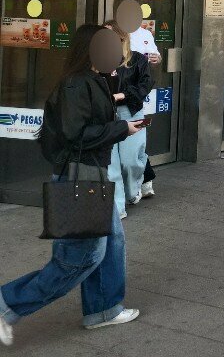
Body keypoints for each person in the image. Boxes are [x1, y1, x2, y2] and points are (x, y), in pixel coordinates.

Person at [0, 25, 144, 346]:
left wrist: (120, 123)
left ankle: (104, 309)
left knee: (112, 244)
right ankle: (7, 304)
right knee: (80, 259)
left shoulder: (93, 79)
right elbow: (75, 135)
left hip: (91, 175)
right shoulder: (76, 84)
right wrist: (121, 128)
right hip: (78, 178)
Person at [104, 21, 154, 218]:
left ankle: (133, 189)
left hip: (132, 113)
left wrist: (124, 95)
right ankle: (117, 208)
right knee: (111, 165)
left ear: (121, 37)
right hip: (107, 115)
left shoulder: (138, 59)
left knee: (129, 161)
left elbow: (146, 84)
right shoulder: (98, 62)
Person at [129, 25, 160, 199]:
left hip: (136, 96)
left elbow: (155, 56)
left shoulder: (145, 33)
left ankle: (145, 180)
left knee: (136, 142)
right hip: (119, 95)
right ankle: (141, 182)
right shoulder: (113, 33)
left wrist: (156, 58)